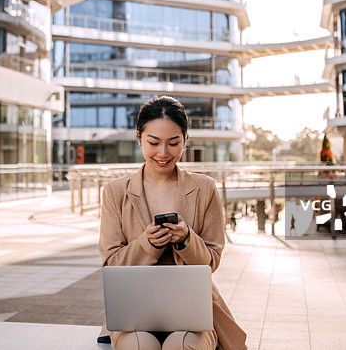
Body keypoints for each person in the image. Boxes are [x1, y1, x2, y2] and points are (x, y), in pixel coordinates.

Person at [98, 96, 247, 350]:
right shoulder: (115, 192)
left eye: (174, 143)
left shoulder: (205, 188)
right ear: (139, 137)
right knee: (139, 346)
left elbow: (212, 261)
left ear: (185, 139)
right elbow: (111, 263)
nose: (163, 153)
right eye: (153, 142)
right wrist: (146, 245)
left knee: (181, 346)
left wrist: (186, 239)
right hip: (133, 312)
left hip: (193, 312)